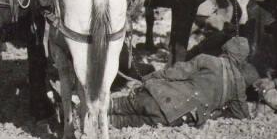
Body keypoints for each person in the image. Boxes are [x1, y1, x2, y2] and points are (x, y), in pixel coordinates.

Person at [108, 37, 259, 128]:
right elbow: (241, 114)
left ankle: (97, 110)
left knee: (119, 105)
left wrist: (148, 78)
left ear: (224, 49)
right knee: (126, 121)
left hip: (156, 96)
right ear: (242, 59)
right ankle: (111, 121)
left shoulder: (207, 59)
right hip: (174, 116)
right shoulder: (238, 82)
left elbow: (173, 73)